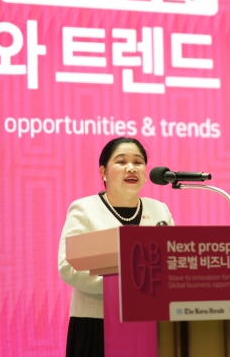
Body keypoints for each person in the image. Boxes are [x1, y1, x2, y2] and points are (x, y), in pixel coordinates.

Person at [57, 137, 175, 356]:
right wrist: (131, 287)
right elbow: (70, 266)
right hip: (97, 322)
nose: (131, 168)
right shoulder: (85, 209)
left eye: (138, 162)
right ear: (103, 171)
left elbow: (172, 261)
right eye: (121, 161)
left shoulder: (160, 210)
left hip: (150, 323)